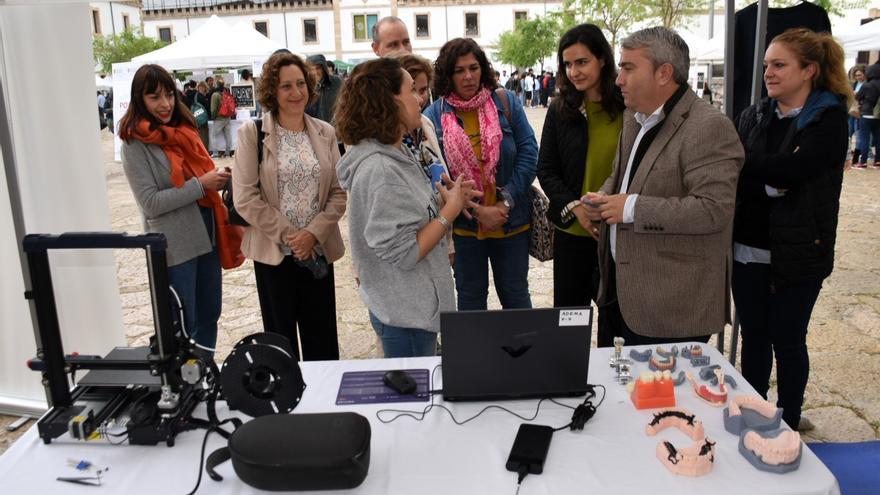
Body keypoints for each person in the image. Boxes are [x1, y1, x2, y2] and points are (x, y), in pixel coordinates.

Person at [582, 27, 744, 346]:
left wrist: (630, 207)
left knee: (661, 398)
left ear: (664, 73)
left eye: (628, 68)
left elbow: (714, 210)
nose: (618, 79)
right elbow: (621, 177)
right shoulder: (634, 117)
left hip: (670, 310)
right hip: (619, 294)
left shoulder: (709, 127)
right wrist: (601, 199)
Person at [732, 28, 851, 431]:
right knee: (754, 338)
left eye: (779, 64)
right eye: (767, 64)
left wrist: (759, 165)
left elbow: (797, 169)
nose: (768, 72)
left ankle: (789, 421)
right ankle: (755, 413)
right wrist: (769, 174)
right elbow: (733, 165)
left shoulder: (829, 120)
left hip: (799, 253)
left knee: (788, 341)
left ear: (809, 70)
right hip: (747, 249)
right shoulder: (753, 114)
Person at [335, 58, 479, 357]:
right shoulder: (382, 169)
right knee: (410, 401)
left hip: (410, 307)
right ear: (389, 102)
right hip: (405, 315)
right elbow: (406, 252)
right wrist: (448, 211)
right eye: (412, 90)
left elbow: (408, 215)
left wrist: (446, 198)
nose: (420, 98)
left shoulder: (397, 150)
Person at [119, 64, 242, 351]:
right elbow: (150, 203)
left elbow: (199, 178)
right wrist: (201, 185)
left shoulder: (184, 130)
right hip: (175, 246)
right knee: (182, 325)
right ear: (139, 99)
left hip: (208, 235)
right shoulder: (134, 144)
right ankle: (185, 387)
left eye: (168, 96)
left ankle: (204, 376)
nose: (164, 104)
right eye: (154, 97)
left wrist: (217, 180)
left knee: (210, 314)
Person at [233, 52, 347, 361]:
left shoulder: (326, 132)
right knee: (281, 344)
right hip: (274, 255)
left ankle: (323, 405)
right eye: (286, 86)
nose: (296, 93)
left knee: (322, 342)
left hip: (317, 252)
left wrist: (312, 234)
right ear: (273, 91)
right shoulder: (251, 134)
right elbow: (244, 197)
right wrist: (292, 236)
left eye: (300, 84)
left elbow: (339, 193)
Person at [424, 38, 538, 311]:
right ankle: (475, 355)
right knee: (471, 300)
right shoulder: (434, 116)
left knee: (516, 297)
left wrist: (505, 202)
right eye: (459, 70)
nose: (468, 76)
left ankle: (523, 354)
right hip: (465, 228)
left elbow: (529, 152)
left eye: (473, 68)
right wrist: (477, 211)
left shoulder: (506, 102)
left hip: (510, 221)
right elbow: (436, 177)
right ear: (448, 75)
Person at [537, 24, 624, 346]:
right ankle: (570, 389)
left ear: (602, 59)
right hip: (572, 234)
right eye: (568, 64)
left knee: (613, 325)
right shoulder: (561, 109)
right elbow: (546, 170)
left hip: (616, 233)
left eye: (582, 62)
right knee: (569, 325)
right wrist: (575, 209)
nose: (574, 71)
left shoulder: (628, 108)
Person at [387, 51, 455, 265]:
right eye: (412, 90)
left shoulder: (426, 123)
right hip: (409, 246)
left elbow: (438, 177)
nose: (419, 98)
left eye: (424, 90)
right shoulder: (384, 139)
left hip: (439, 237)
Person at [853, 63, 880, 169]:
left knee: (864, 138)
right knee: (878, 138)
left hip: (866, 114)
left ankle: (863, 162)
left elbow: (858, 97)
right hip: (878, 115)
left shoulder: (867, 85)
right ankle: (877, 161)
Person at [305, 54, 342, 124]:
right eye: (311, 69)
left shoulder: (336, 81)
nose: (315, 72)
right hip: (312, 128)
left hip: (333, 127)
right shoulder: (304, 85)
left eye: (318, 68)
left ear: (324, 68)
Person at [210, 75, 234, 158]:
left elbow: (213, 109)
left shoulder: (215, 95)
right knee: (228, 135)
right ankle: (227, 153)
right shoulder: (226, 92)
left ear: (216, 85)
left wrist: (213, 117)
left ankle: (215, 153)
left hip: (219, 118)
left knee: (213, 135)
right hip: (227, 117)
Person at [847, 64, 866, 163]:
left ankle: (856, 157)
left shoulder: (867, 84)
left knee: (858, 133)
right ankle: (848, 154)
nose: (858, 77)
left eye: (860, 75)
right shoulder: (854, 84)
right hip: (852, 111)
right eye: (856, 75)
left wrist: (857, 94)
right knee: (848, 132)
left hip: (860, 111)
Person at [195, 81, 211, 148]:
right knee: (204, 135)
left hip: (198, 117)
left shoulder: (196, 95)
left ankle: (203, 149)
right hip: (202, 118)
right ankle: (205, 149)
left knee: (201, 134)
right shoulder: (201, 96)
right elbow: (207, 106)